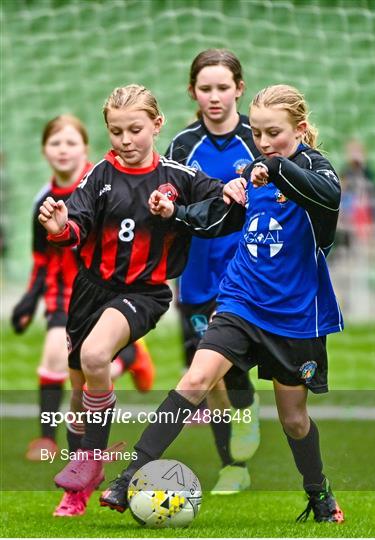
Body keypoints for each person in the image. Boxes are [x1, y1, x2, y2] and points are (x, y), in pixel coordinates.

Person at [101, 84, 345, 524]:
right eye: (259, 135)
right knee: (196, 378)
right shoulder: (254, 171)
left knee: (294, 420)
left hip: (294, 316)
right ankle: (129, 476)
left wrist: (274, 166)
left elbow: (329, 198)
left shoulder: (313, 168)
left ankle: (318, 491)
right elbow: (217, 219)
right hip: (240, 300)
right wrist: (172, 215)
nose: (264, 142)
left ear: (301, 129)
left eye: (275, 133)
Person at [37, 85, 226, 516]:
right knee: (80, 392)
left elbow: (219, 199)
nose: (126, 140)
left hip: (144, 292)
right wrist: (60, 226)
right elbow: (76, 224)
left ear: (157, 126)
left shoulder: (180, 176)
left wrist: (193, 208)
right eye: (117, 131)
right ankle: (79, 488)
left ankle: (92, 458)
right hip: (91, 290)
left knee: (96, 354)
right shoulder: (100, 174)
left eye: (135, 129)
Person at [11, 114, 155, 510]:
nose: (62, 150)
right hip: (69, 297)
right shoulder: (46, 200)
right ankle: (127, 358)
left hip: (112, 294)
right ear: (44, 151)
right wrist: (30, 297)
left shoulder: (105, 182)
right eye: (55, 143)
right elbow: (43, 256)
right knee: (79, 390)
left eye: (71, 142)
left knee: (77, 361)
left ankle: (74, 488)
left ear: (86, 148)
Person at [166, 49, 260, 494]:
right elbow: (169, 205)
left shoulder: (256, 139)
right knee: (209, 371)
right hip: (197, 273)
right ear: (193, 92)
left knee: (229, 362)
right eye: (206, 89)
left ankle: (240, 446)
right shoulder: (183, 146)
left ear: (239, 89)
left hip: (247, 271)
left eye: (224, 87)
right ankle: (234, 464)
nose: (215, 96)